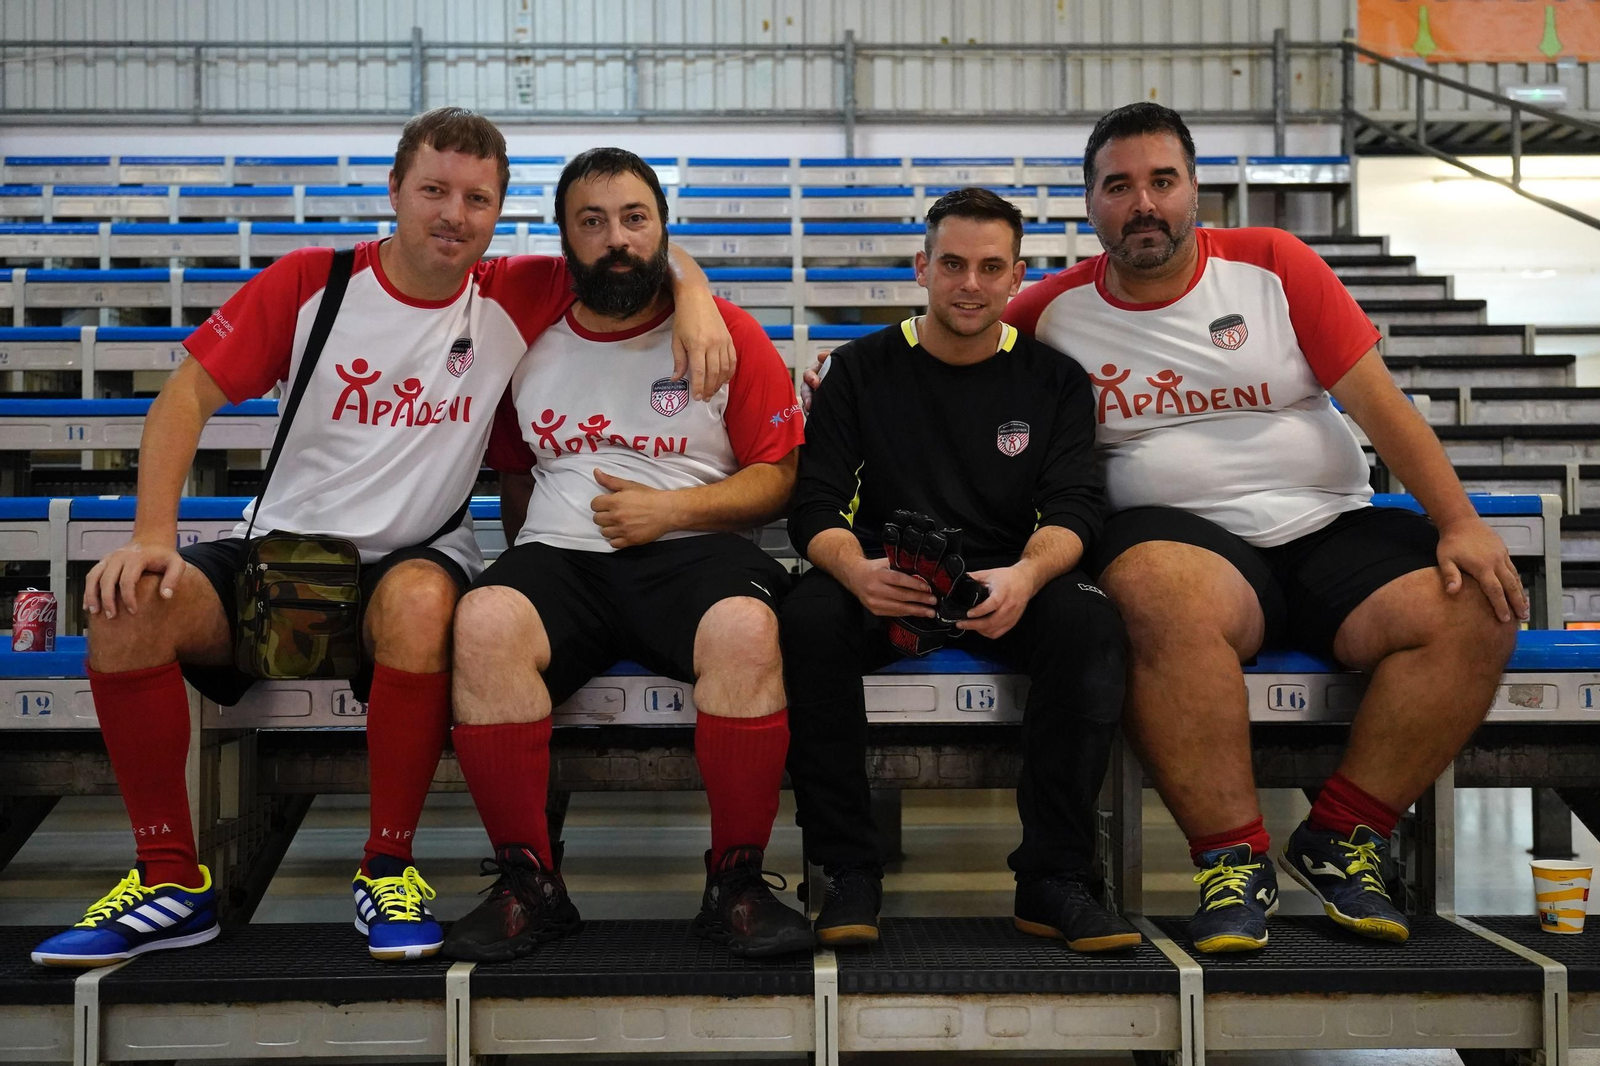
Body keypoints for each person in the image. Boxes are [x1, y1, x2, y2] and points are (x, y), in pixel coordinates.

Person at [30, 110, 735, 968]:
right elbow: (185, 397)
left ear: (500, 211)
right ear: (394, 190)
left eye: (477, 199)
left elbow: (631, 250)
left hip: (416, 555)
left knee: (423, 601)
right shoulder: (312, 280)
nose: (453, 214)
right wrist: (151, 537)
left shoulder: (515, 292)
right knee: (128, 603)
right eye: (434, 190)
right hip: (280, 558)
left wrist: (696, 296)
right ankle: (170, 881)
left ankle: (388, 867)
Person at [1001, 103, 1523, 951]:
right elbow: (944, 348)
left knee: (1477, 600)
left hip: (1329, 523)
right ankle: (1232, 862)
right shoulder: (1053, 311)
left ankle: (1343, 835)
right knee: (1150, 590)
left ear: (1194, 189)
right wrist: (852, 372)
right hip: (1184, 540)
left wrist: (1458, 522)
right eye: (1119, 186)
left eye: (1162, 181)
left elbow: (1380, 405)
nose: (1144, 204)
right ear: (1090, 204)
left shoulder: (1274, 264)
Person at [441, 147, 814, 962]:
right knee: (485, 621)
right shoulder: (526, 342)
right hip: (561, 558)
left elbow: (780, 478)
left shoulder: (727, 335)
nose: (617, 238)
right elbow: (516, 474)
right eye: (593, 221)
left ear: (663, 229)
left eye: (635, 218)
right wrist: (532, 558)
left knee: (747, 631)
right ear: (564, 238)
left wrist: (671, 510)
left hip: (695, 554)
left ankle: (737, 884)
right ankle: (529, 886)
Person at [781, 188, 1139, 952]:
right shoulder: (858, 370)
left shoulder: (1054, 380)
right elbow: (813, 506)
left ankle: (1056, 877)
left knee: (1090, 623)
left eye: (989, 267)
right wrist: (857, 571)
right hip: (890, 578)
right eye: (951, 264)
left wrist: (1028, 577)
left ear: (1017, 277)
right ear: (922, 268)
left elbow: (1075, 509)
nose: (969, 284)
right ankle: (849, 871)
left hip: (1005, 581)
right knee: (808, 617)